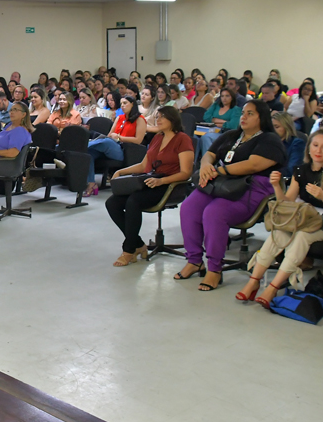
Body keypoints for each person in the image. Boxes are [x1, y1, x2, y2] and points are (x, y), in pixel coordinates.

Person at [178, 100, 286, 291]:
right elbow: (210, 154)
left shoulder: (269, 139)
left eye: (250, 113)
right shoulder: (232, 135)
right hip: (222, 184)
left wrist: (220, 171)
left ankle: (214, 269)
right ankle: (194, 261)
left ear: (262, 117)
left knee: (214, 213)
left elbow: (254, 165)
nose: (243, 117)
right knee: (189, 207)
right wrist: (205, 166)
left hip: (252, 188)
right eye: (243, 113)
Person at [237, 129, 323, 307]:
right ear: (309, 148)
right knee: (280, 232)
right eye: (315, 145)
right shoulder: (301, 170)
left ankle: (274, 286)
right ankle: (254, 280)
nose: (318, 151)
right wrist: (276, 186)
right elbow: (287, 202)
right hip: (304, 218)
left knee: (300, 237)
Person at [106, 107, 194, 266]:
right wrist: (121, 171)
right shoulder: (157, 138)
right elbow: (143, 166)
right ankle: (138, 243)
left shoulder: (183, 139)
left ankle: (129, 249)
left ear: (172, 120)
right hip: (150, 181)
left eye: (162, 117)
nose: (158, 120)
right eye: (157, 117)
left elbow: (186, 173)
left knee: (133, 201)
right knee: (112, 202)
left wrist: (162, 181)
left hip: (170, 185)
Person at [85, 94, 148, 195]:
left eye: (125, 103)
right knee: (89, 152)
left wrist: (120, 137)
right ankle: (91, 183)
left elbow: (138, 140)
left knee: (105, 142)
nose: (122, 105)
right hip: (113, 145)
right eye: (121, 103)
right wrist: (114, 137)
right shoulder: (119, 118)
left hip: (125, 150)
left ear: (132, 104)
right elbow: (109, 135)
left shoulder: (140, 119)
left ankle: (85, 144)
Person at [271, 112, 304, 176]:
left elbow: (292, 169)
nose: (273, 130)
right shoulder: (267, 142)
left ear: (287, 127)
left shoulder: (297, 143)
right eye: (271, 127)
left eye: (276, 127)